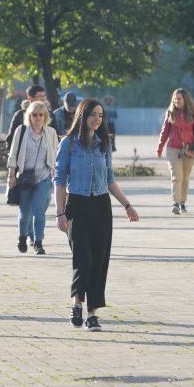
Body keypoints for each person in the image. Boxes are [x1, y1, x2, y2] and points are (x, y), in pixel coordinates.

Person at [54, 99, 139, 331]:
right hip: (77, 206)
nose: (97, 119)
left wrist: (127, 205)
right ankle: (76, 303)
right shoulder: (68, 144)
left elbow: (110, 179)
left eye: (101, 115)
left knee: (99, 261)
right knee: (83, 258)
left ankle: (92, 313)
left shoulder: (104, 144)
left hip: (101, 206)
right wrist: (60, 213)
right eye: (93, 114)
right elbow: (59, 180)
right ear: (83, 116)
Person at [7, 101, 58, 255]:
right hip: (25, 178)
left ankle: (38, 242)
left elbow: (55, 155)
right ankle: (22, 237)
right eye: (34, 115)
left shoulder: (51, 133)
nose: (38, 118)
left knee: (39, 211)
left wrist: (56, 176)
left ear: (45, 116)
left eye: (41, 115)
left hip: (43, 177)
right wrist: (11, 174)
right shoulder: (21, 130)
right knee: (25, 212)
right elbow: (13, 154)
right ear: (29, 116)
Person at [156, 88, 194, 215]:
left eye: (179, 98)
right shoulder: (170, 113)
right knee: (176, 176)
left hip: (189, 150)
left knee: (185, 178)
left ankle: (182, 202)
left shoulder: (193, 113)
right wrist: (160, 147)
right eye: (175, 98)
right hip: (173, 149)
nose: (177, 101)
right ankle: (175, 203)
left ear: (185, 100)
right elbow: (164, 132)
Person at [6, 85, 56, 152]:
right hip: (23, 155)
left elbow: (55, 137)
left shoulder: (50, 115)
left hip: (45, 155)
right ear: (30, 98)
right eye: (39, 96)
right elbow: (10, 139)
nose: (42, 99)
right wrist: (13, 154)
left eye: (44, 96)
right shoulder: (20, 115)